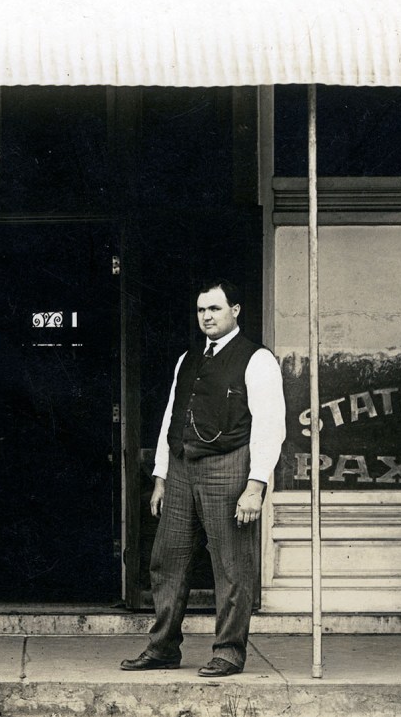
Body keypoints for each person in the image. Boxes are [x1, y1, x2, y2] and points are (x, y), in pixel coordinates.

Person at [122, 278, 285, 677]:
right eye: (201, 310)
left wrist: (255, 486)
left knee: (232, 566)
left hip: (229, 467)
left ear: (235, 310)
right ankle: (163, 648)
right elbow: (171, 418)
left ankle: (228, 652)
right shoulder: (187, 359)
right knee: (166, 560)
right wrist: (161, 476)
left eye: (215, 308)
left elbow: (270, 425)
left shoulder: (257, 359)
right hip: (181, 469)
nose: (207, 317)